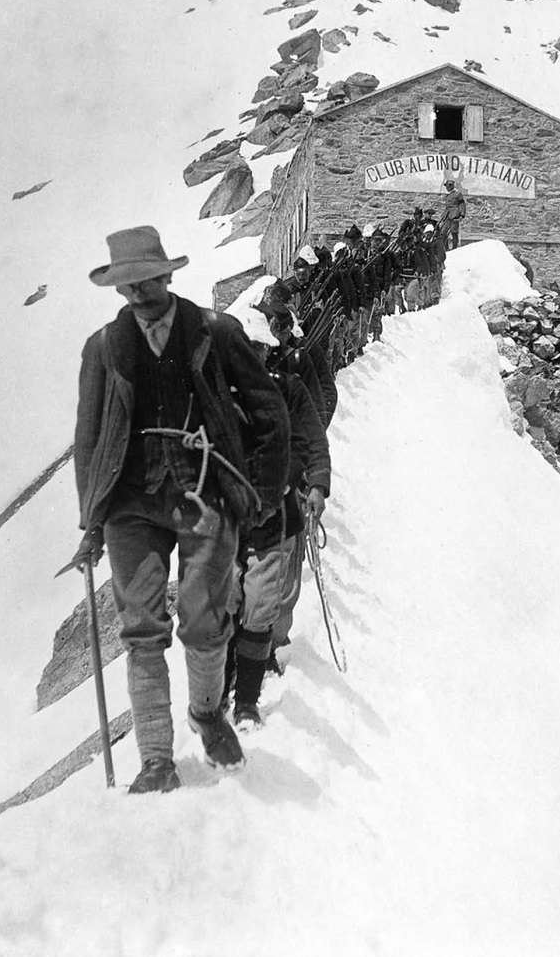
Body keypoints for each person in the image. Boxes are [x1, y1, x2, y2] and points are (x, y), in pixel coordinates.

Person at [73, 226, 290, 793]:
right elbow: (90, 438)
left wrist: (261, 496)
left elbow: (271, 415)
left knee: (203, 622)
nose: (139, 294)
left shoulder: (214, 332)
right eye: (127, 285)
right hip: (130, 505)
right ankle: (155, 760)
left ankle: (208, 714)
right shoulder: (103, 348)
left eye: (147, 280)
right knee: (142, 630)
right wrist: (90, 520)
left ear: (169, 275)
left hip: (206, 495)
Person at [226, 306, 330, 725]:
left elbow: (311, 439)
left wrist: (316, 484)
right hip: (227, 521)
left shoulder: (288, 391)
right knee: (227, 607)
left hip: (277, 516)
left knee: (266, 603)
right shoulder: (216, 396)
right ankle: (224, 686)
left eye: (259, 350)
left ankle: (250, 691)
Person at [439, 179, 466, 250]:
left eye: (447, 186)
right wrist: (443, 216)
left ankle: (454, 248)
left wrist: (462, 215)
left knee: (454, 233)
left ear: (451, 186)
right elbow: (447, 207)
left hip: (454, 216)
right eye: (446, 186)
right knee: (443, 233)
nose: (447, 188)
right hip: (447, 217)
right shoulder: (448, 195)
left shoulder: (457, 194)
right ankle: (446, 248)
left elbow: (462, 204)